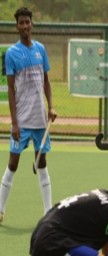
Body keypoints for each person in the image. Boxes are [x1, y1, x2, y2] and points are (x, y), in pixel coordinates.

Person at [0, 7, 57, 224]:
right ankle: (0, 209)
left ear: (32, 24)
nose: (25, 26)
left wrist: (51, 107)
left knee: (41, 163)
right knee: (13, 163)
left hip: (40, 120)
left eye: (27, 22)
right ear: (17, 26)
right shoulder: (12, 54)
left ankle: (48, 213)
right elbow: (11, 90)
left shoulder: (40, 50)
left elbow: (46, 81)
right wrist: (14, 123)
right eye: (21, 23)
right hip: (22, 122)